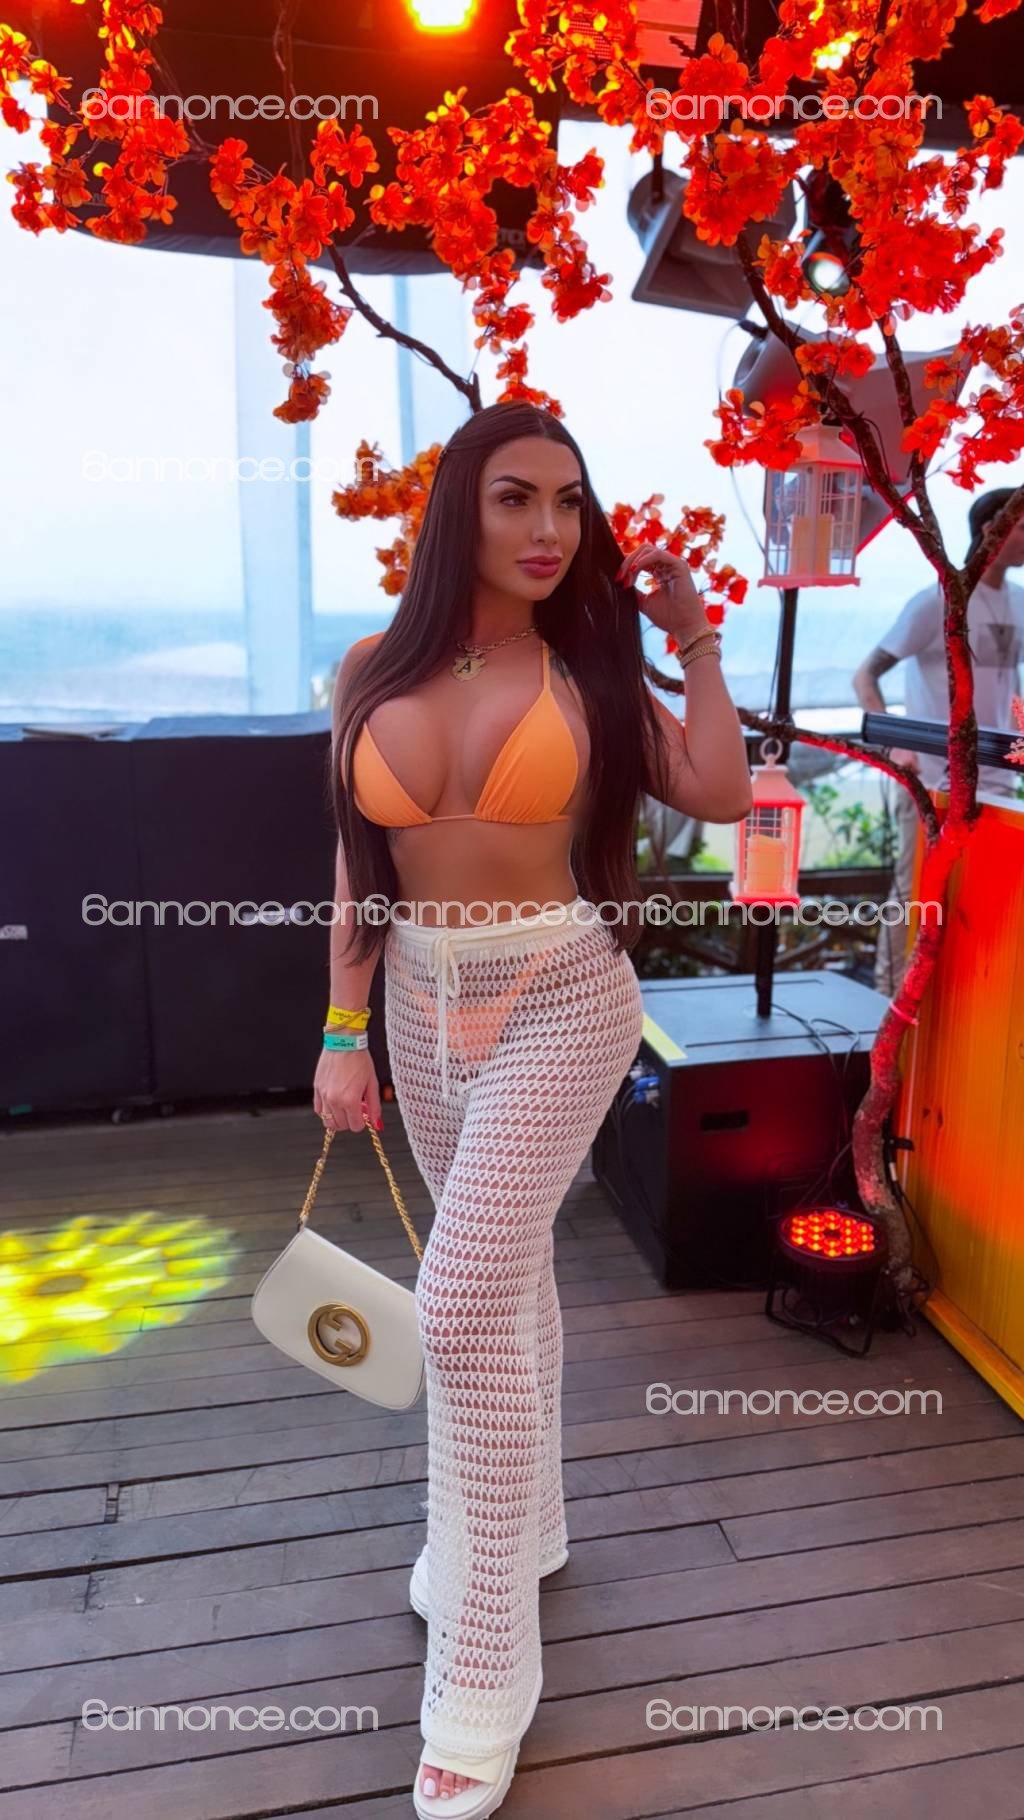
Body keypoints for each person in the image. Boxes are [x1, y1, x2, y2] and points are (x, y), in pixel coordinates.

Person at [315, 400, 752, 1819]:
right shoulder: (368, 669)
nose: (549, 528)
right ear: (460, 508)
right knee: (503, 1283)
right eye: (515, 497)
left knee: (453, 1307)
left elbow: (721, 789)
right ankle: (532, 1527)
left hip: (562, 994)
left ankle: (483, 1669)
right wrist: (340, 1032)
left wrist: (692, 637)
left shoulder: (588, 669)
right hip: (418, 999)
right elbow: (356, 865)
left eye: (569, 501)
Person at [852, 487, 1024, 996]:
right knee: (915, 897)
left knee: (985, 899)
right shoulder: (939, 600)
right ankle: (885, 1003)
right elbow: (865, 675)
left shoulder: (1018, 601)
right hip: (933, 780)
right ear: (993, 528)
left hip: (998, 779)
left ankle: (954, 1007)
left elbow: (1007, 685)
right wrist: (894, 745)